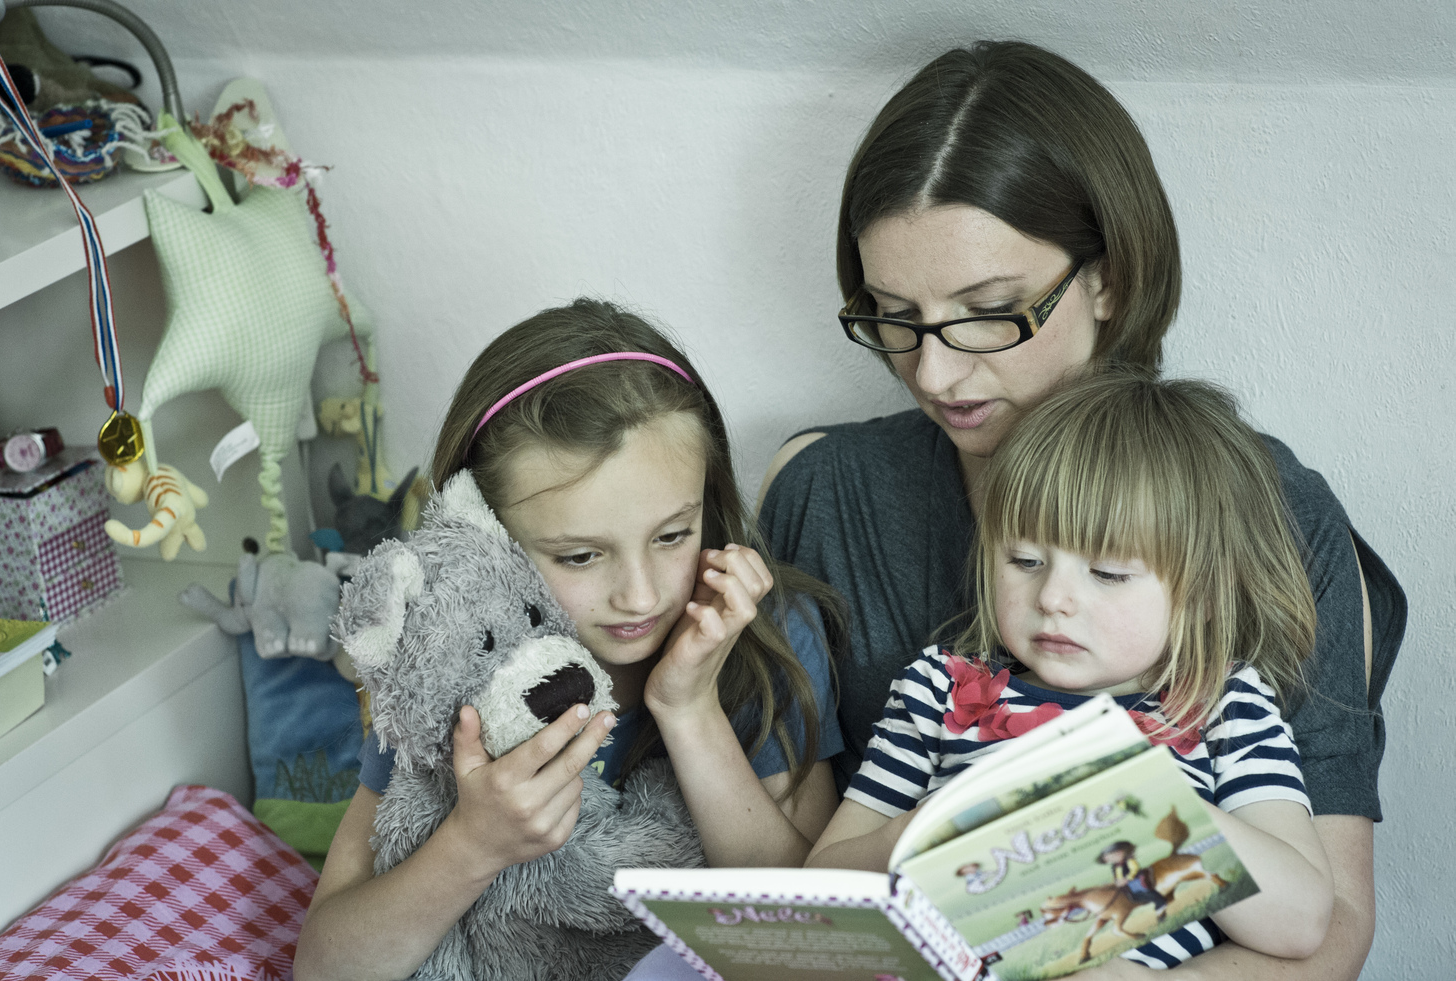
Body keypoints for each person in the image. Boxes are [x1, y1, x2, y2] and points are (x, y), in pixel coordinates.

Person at [758, 39, 1404, 981]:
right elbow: (807, 890)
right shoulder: (829, 491)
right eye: (894, 316)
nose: (933, 373)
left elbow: (1328, 932)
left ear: (1108, 277)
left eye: (990, 310)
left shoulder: (1265, 506)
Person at [295, 299, 844, 981]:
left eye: (673, 534)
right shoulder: (452, 658)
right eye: (581, 556)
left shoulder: (766, 633)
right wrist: (472, 844)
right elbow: (325, 967)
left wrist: (689, 708)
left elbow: (815, 948)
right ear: (484, 536)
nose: (641, 595)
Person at [807, 372, 1335, 966]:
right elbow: (822, 889)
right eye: (1025, 560)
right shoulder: (941, 690)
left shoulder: (1223, 706)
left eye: (1108, 573)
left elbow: (1302, 922)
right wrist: (908, 838)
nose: (1053, 597)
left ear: (1204, 594)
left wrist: (1145, 799)